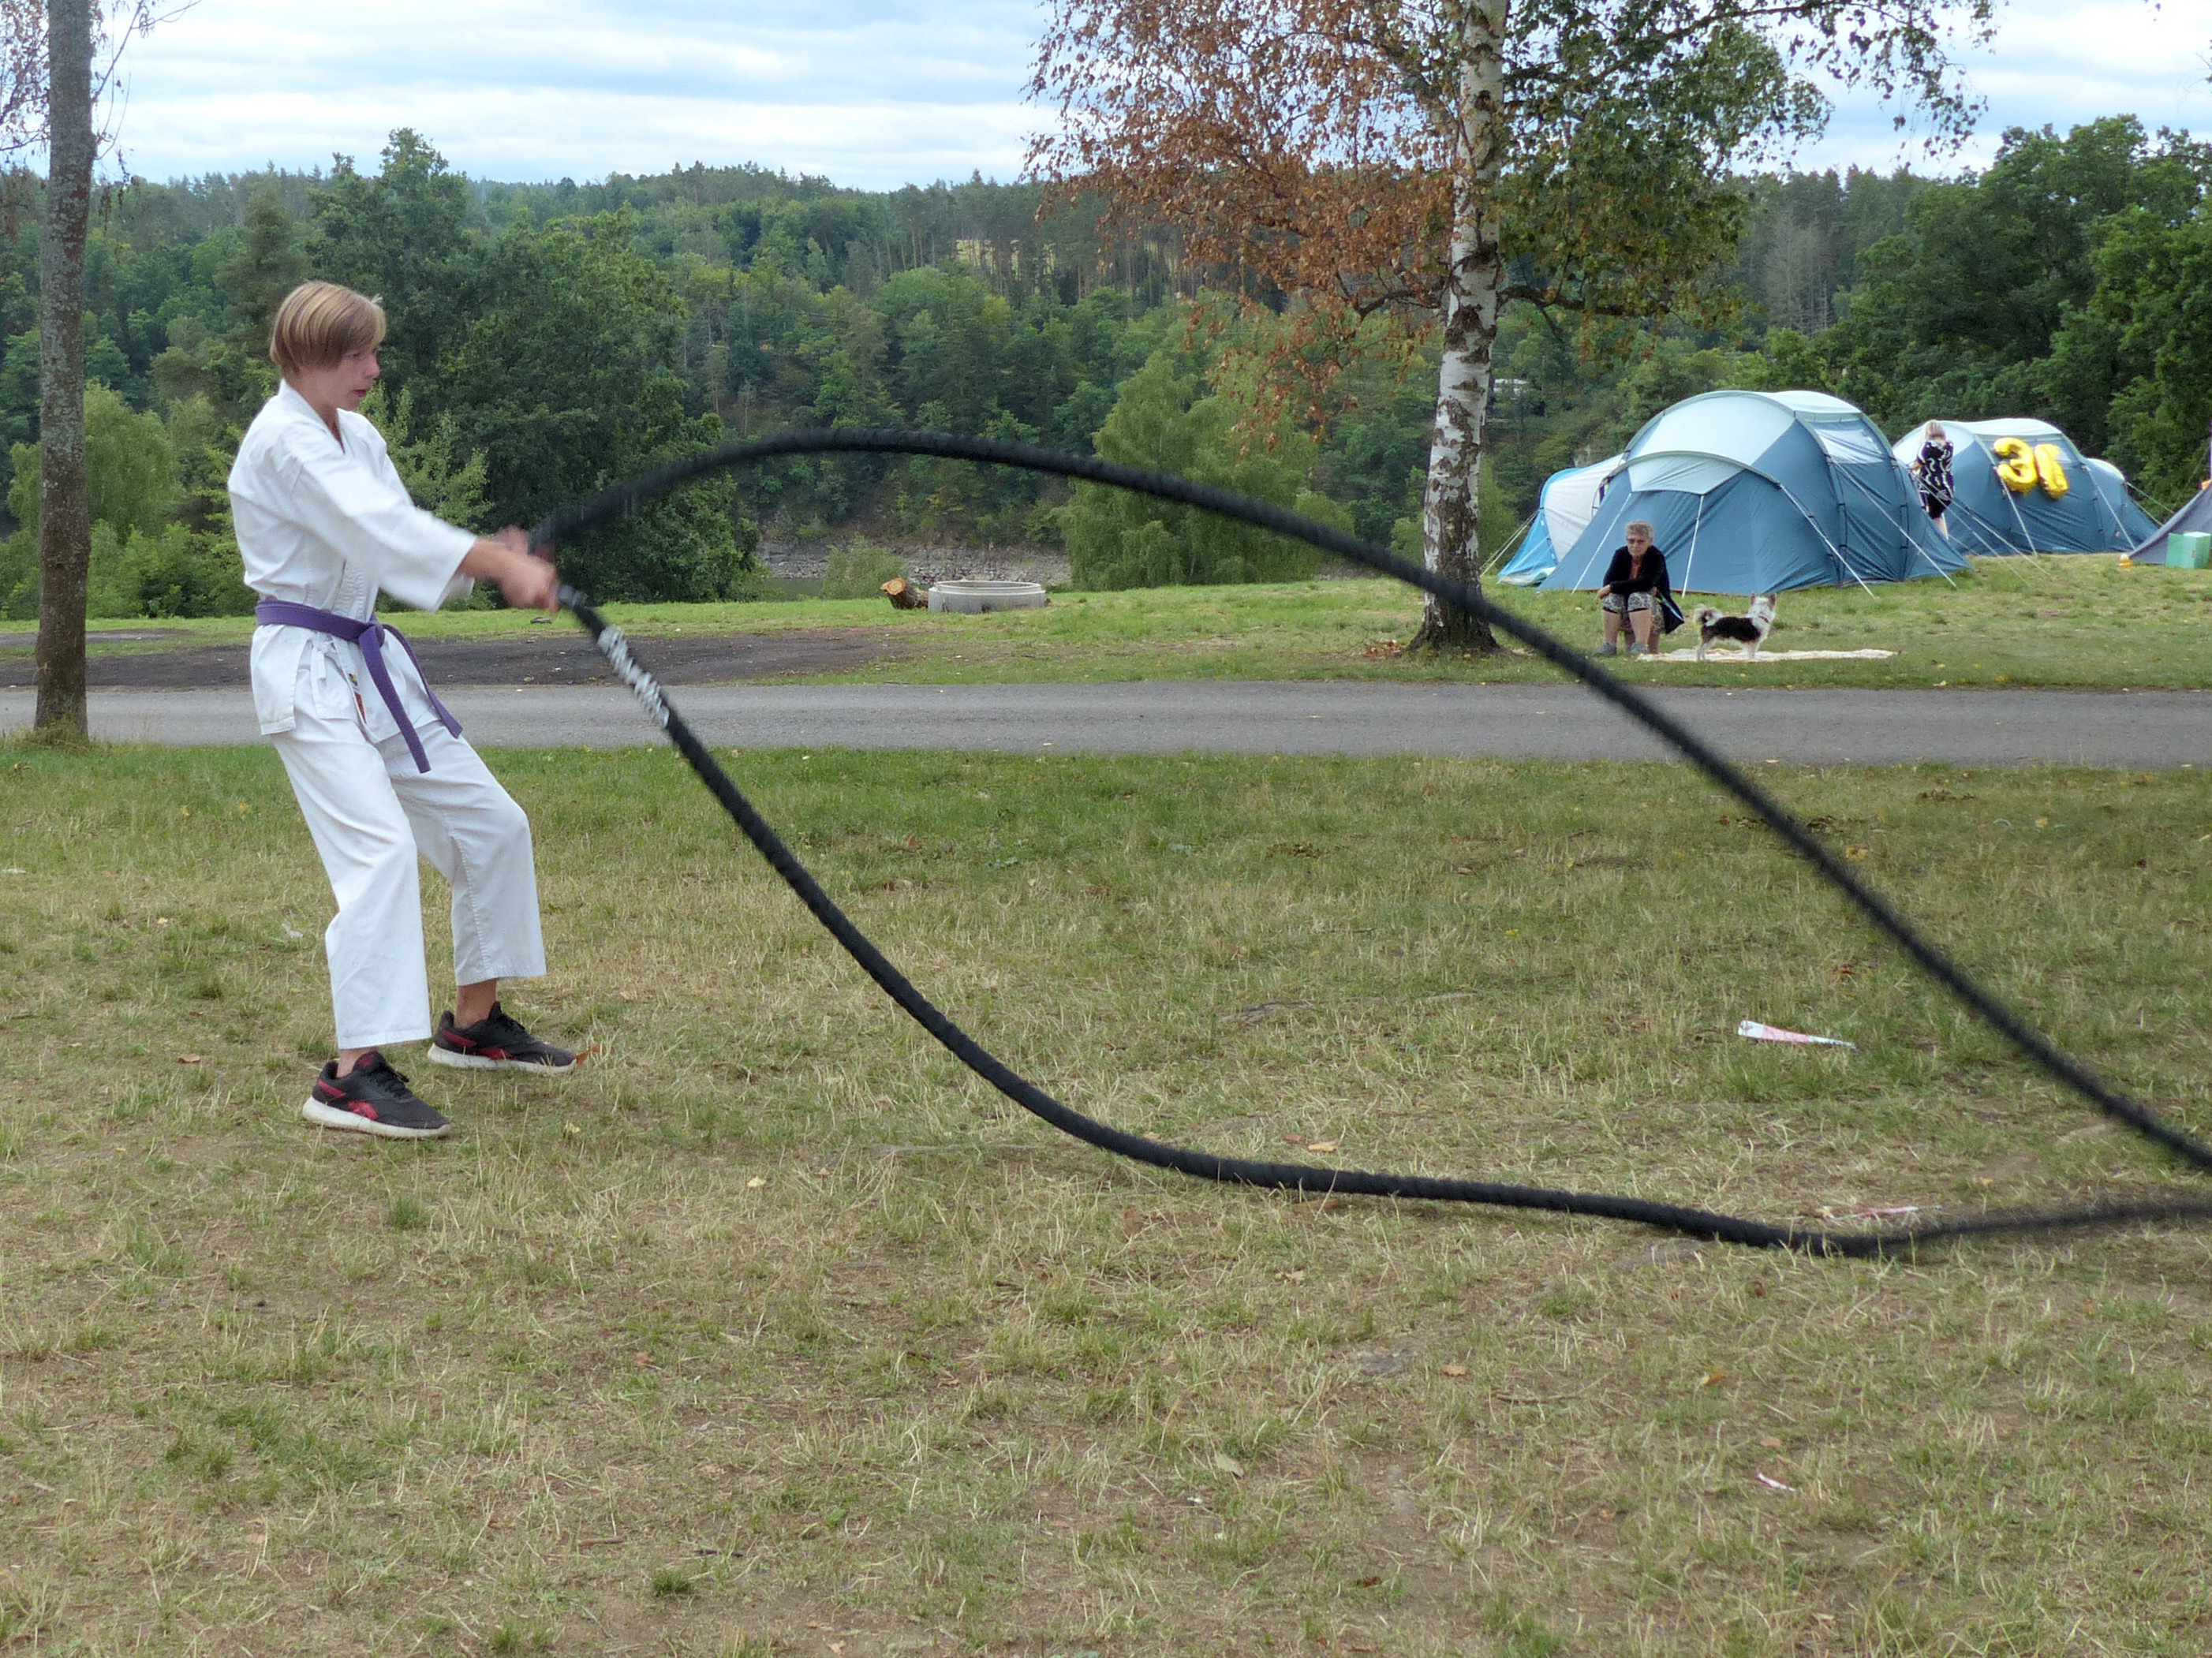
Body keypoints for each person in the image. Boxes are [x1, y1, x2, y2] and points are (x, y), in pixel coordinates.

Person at [230, 280, 577, 1141]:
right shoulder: (284, 442)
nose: (374, 370)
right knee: (378, 854)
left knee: (492, 825)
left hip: (367, 661)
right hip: (306, 669)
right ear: (307, 355)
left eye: (374, 352)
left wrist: (487, 557)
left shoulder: (356, 435)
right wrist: (496, 565)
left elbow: (396, 532)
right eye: (357, 355)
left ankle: (473, 1025)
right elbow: (377, 527)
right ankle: (351, 1076)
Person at [1595, 520, 1675, 657]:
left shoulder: (1656, 557)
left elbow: (1644, 584)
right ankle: (1609, 645)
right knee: (1613, 598)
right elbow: (1608, 581)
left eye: (1640, 542)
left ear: (1650, 542)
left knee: (1638, 597)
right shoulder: (1621, 554)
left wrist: (1614, 587)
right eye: (1631, 541)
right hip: (1626, 608)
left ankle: (1640, 645)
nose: (1635, 545)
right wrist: (1614, 587)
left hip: (1654, 611)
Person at [1911, 420, 1954, 536]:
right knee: (1937, 516)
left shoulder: (1927, 445)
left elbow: (1919, 463)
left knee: (1924, 516)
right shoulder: (1949, 445)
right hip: (1947, 489)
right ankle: (1944, 542)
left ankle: (1926, 542)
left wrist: (1906, 469)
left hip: (1929, 488)